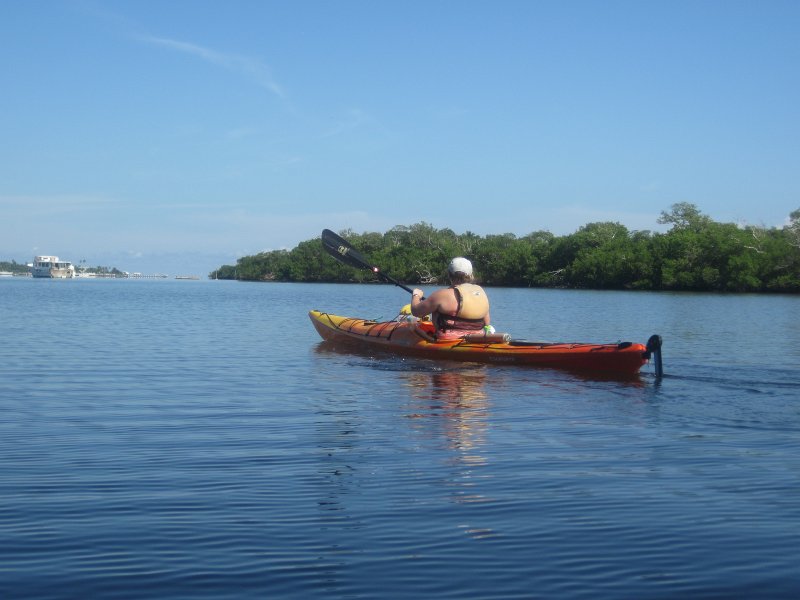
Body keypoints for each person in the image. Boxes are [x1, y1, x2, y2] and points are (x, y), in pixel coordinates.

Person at [410, 257, 492, 339]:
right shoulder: (481, 293)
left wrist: (416, 295)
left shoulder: (442, 295)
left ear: (449, 274)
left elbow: (416, 312)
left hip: (449, 340)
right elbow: (487, 322)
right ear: (471, 275)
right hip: (477, 339)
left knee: (412, 328)